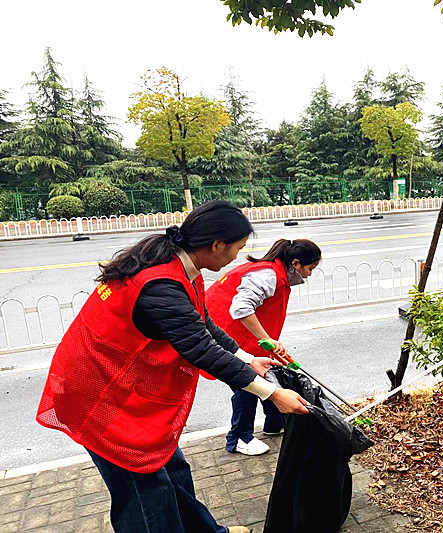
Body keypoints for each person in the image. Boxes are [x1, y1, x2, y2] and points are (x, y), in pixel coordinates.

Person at [36, 200, 310, 533]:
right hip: (101, 396)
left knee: (174, 471)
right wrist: (272, 394)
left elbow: (203, 325)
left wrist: (247, 358)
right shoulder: (160, 284)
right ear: (217, 245)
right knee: (145, 495)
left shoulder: (182, 269)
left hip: (123, 389)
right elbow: (200, 350)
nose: (237, 257)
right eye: (237, 248)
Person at [206, 238, 321, 455]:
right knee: (246, 384)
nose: (309, 275)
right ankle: (239, 438)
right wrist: (268, 339)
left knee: (269, 374)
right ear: (295, 263)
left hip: (244, 338)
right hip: (228, 336)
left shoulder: (277, 275)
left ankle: (274, 423)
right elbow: (241, 309)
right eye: (310, 268)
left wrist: (269, 342)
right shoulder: (268, 275)